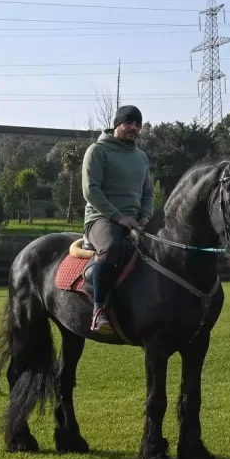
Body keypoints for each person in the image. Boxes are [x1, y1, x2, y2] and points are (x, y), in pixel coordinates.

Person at [81, 105, 154, 332]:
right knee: (111, 247)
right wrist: (119, 217)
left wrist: (145, 217)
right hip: (102, 218)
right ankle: (99, 310)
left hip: (135, 220)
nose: (134, 128)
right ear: (117, 124)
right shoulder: (98, 151)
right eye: (129, 123)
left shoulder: (141, 157)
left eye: (137, 124)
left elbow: (148, 193)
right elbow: (91, 191)